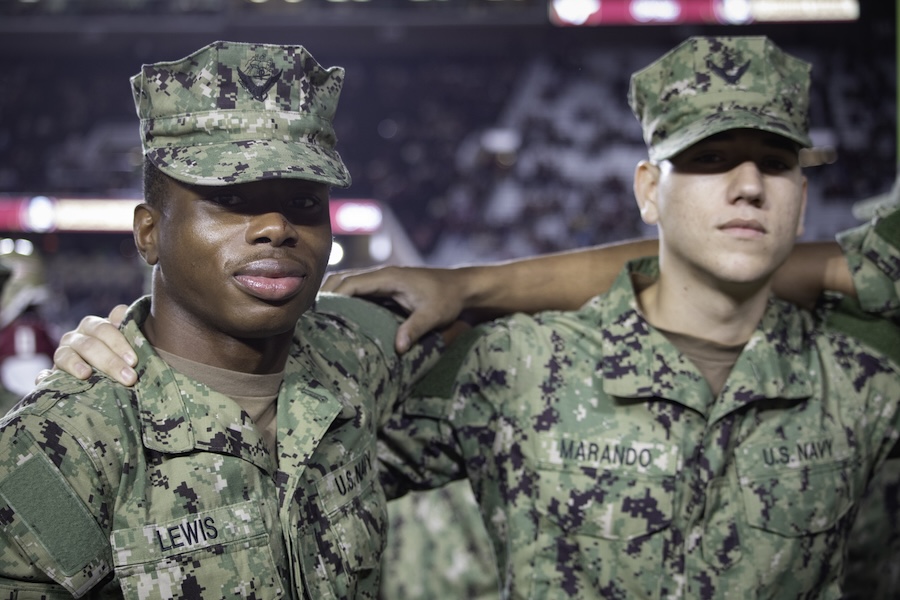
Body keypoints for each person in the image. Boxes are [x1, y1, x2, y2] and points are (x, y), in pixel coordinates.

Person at [49, 36, 896, 598]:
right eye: (708, 162)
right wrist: (130, 356)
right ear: (647, 187)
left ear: (805, 193)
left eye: (775, 164)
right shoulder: (520, 366)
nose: (746, 186)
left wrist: (471, 284)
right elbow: (282, 406)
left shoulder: (865, 386)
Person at [0, 40, 450, 598]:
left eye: (305, 202)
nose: (276, 228)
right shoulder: (61, 445)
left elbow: (528, 339)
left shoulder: (350, 353)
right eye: (231, 198)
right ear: (148, 233)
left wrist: (467, 283)